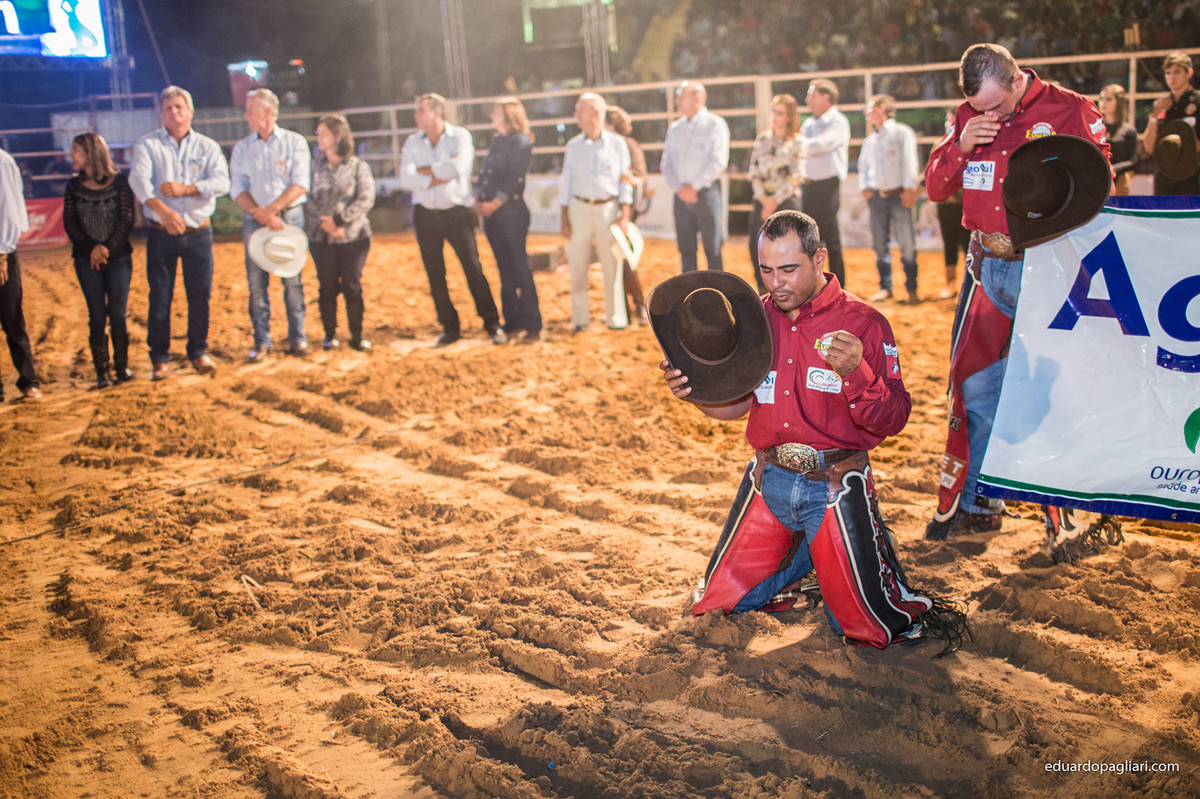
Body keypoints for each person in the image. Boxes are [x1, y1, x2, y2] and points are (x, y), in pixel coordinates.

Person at [660, 210, 963, 653]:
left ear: (819, 258)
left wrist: (857, 372)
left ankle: (829, 553)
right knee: (714, 605)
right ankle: (813, 560)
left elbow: (894, 419)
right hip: (769, 481)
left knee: (867, 628)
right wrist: (695, 394)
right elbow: (740, 405)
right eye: (766, 270)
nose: (775, 283)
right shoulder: (755, 319)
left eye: (788, 269)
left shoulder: (864, 323)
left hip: (834, 487)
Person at [923, 43, 1110, 539]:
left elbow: (1103, 186)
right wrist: (960, 146)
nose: (991, 116)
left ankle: (1069, 517)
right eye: (978, 108)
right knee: (974, 388)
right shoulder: (967, 116)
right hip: (985, 269)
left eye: (997, 106)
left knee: (1052, 390)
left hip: (1046, 271)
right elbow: (936, 188)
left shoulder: (1070, 110)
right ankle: (978, 503)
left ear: (1016, 80)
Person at [130, 85, 230, 380]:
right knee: (160, 296)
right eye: (168, 108)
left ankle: (198, 351)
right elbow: (139, 182)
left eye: (179, 107)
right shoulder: (148, 144)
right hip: (161, 231)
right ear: (161, 113)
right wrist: (164, 211)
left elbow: (222, 182)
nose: (174, 112)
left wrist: (187, 189)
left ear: (190, 112)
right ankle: (159, 358)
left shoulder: (207, 147)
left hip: (198, 231)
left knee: (200, 295)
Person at [399, 93, 504, 346]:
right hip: (425, 214)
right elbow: (406, 178)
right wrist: (441, 174)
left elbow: (459, 168)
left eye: (421, 110)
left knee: (473, 268)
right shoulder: (413, 142)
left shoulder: (460, 136)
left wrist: (424, 174)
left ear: (437, 111)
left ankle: (492, 322)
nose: (416, 115)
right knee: (435, 274)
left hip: (457, 212)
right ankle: (450, 327)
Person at [230, 87, 311, 362]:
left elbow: (300, 183)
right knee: (256, 284)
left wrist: (270, 211)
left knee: (293, 281)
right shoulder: (242, 147)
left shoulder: (294, 142)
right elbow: (237, 187)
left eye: (250, 109)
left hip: (287, 218)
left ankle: (297, 338)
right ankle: (262, 342)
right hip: (258, 220)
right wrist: (262, 213)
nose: (246, 114)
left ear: (268, 112)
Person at [63, 132, 136, 388]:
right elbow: (70, 222)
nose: (72, 155)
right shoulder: (73, 186)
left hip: (118, 258)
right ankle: (101, 371)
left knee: (118, 313)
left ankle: (121, 367)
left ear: (90, 153)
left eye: (76, 150)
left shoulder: (120, 183)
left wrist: (105, 248)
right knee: (96, 314)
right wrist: (91, 248)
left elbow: (126, 219)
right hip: (86, 259)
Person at [558, 92, 632, 332]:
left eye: (580, 110)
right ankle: (580, 318)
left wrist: (625, 214)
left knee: (612, 265)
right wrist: (564, 217)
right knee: (577, 264)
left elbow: (625, 182)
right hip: (579, 209)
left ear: (595, 114)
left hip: (608, 210)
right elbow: (566, 182)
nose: (576, 114)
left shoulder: (618, 144)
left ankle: (615, 318)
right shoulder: (573, 146)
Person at [305, 113, 376, 352]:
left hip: (353, 236)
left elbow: (366, 198)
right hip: (321, 237)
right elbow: (307, 198)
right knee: (326, 285)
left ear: (337, 136)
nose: (319, 138)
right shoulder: (313, 168)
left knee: (352, 285)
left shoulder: (358, 167)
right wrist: (325, 223)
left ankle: (357, 335)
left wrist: (339, 221)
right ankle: (330, 334)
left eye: (323, 133)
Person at [476, 97, 542, 342]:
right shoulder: (499, 140)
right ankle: (513, 322)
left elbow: (515, 178)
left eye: (496, 111)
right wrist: (480, 196)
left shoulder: (520, 141)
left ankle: (532, 324)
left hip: (510, 213)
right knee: (505, 268)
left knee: (519, 266)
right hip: (496, 213)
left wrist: (493, 202)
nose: (492, 114)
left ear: (508, 114)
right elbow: (487, 174)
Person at [858, 94, 921, 304]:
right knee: (879, 244)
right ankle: (886, 287)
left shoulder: (902, 132)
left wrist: (908, 188)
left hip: (898, 195)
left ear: (882, 108)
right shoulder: (870, 140)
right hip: (877, 196)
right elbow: (864, 166)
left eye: (870, 108)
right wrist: (864, 186)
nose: (866, 113)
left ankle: (911, 288)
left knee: (906, 243)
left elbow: (909, 162)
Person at [660, 81, 730, 273]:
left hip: (706, 193)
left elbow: (718, 161)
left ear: (697, 98)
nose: (677, 101)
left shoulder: (715, 124)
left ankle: (717, 289)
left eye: (681, 96)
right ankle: (690, 290)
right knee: (686, 250)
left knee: (713, 249)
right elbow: (666, 164)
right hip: (681, 195)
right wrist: (680, 188)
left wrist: (694, 187)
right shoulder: (675, 128)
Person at [747, 93, 805, 295]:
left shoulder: (798, 142)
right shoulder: (762, 139)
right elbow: (753, 172)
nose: (774, 116)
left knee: (790, 249)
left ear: (789, 116)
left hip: (787, 201)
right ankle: (763, 291)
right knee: (755, 246)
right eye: (773, 111)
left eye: (779, 112)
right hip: (762, 200)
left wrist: (774, 202)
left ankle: (790, 291)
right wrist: (764, 199)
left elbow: (796, 176)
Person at [0, 146, 42, 400]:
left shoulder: (2, 162)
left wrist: (2, 252)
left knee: (12, 317)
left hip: (1, 251)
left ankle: (28, 380)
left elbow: (9, 210)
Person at [800, 79, 850, 287]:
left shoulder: (838, 121)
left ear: (826, 97)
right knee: (809, 238)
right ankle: (813, 282)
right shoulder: (809, 124)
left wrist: (798, 143)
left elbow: (820, 145)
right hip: (809, 185)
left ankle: (839, 285)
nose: (807, 99)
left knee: (830, 236)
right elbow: (811, 146)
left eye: (812, 95)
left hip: (828, 186)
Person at [604, 105, 649, 325]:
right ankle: (627, 308)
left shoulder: (628, 145)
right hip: (610, 209)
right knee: (616, 259)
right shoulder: (606, 145)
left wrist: (630, 181)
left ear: (611, 124)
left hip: (625, 209)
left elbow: (640, 177)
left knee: (623, 258)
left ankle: (638, 305)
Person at [1142, 53, 1200, 196]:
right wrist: (1153, 117)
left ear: (1189, 73)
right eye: (1167, 73)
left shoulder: (1197, 101)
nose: (1171, 77)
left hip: (1193, 176)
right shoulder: (1162, 105)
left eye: (1176, 72)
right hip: (1164, 178)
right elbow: (1149, 147)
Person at [934, 110, 970, 300]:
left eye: (952, 120)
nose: (949, 123)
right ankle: (950, 283)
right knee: (949, 243)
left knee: (968, 244)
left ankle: (968, 283)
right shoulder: (939, 143)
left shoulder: (972, 143)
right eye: (947, 120)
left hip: (967, 203)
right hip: (945, 203)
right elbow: (933, 171)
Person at [1098, 85, 1138, 196]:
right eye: (1101, 98)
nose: (1103, 103)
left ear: (1119, 102)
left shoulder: (1128, 130)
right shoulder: (1095, 128)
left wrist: (1112, 169)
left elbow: (1133, 160)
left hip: (1119, 181)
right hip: (1098, 179)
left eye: (1108, 99)